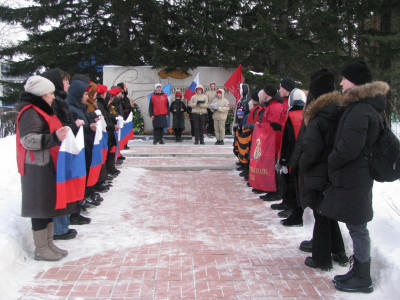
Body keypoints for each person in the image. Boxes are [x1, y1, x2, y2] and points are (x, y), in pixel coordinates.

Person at [319, 61, 390, 293]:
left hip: (355, 176)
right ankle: (359, 270)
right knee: (355, 224)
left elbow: (350, 146)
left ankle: (363, 277)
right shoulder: (366, 106)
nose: (341, 82)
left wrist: (332, 160)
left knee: (358, 226)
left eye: (345, 79)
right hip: (356, 175)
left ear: (356, 82)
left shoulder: (361, 109)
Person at [16, 75, 73, 261]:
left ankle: (48, 243)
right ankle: (41, 248)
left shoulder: (42, 110)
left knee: (47, 204)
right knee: (40, 207)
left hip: (47, 164)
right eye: (49, 93)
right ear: (41, 94)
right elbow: (28, 140)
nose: (53, 97)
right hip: (36, 167)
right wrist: (55, 137)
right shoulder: (30, 112)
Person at [299, 68, 348, 270]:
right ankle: (338, 251)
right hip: (333, 170)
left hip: (319, 171)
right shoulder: (339, 110)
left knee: (321, 214)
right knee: (327, 213)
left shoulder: (319, 117)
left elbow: (311, 150)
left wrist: (302, 165)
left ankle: (321, 259)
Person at [275, 88, 305, 226]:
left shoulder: (292, 115)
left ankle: (294, 212)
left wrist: (284, 160)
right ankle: (292, 209)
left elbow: (288, 139)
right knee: (295, 186)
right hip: (299, 156)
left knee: (291, 186)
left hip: (291, 157)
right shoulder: (304, 114)